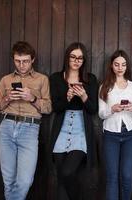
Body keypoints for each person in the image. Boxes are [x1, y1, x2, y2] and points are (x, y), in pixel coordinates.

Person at [0, 41, 52, 200]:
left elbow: (48, 108)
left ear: (33, 59)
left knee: (25, 181)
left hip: (29, 129)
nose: (21, 65)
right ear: (13, 60)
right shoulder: (5, 80)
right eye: (18, 61)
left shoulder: (42, 79)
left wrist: (31, 98)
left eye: (25, 61)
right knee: (8, 180)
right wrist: (7, 99)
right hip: (7, 127)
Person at [49, 42, 98, 200]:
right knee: (61, 180)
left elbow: (93, 109)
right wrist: (68, 97)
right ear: (67, 58)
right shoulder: (56, 78)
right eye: (73, 57)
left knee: (67, 172)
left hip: (81, 129)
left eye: (80, 58)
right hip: (61, 128)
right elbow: (56, 107)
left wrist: (83, 96)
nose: (76, 61)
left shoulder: (90, 79)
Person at [99, 50, 132, 200]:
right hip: (110, 135)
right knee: (112, 177)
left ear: (127, 66)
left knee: (127, 176)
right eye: (117, 64)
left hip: (131, 135)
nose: (120, 67)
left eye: (123, 64)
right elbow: (101, 114)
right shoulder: (104, 87)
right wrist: (112, 109)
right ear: (112, 66)